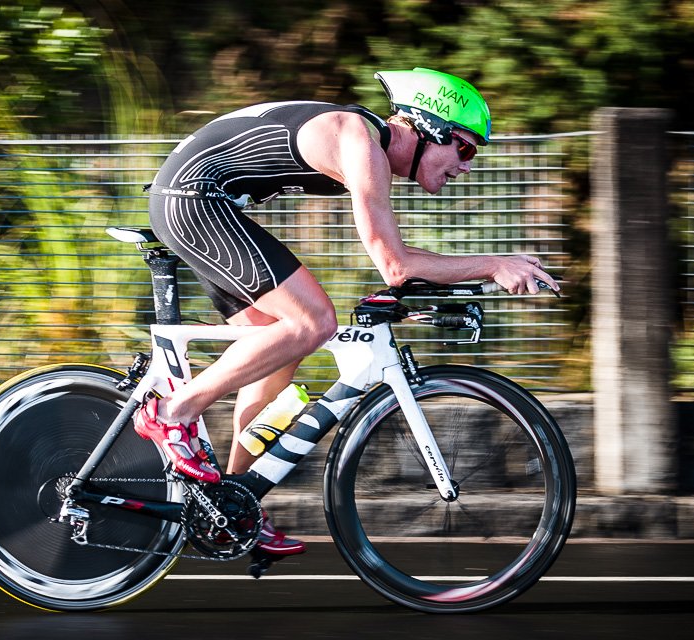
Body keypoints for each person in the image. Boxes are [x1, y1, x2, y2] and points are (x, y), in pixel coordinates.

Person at [134, 68, 560, 555]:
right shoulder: (361, 143)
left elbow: (398, 261)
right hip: (193, 201)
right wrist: (492, 264)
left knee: (278, 346)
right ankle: (171, 413)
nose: (466, 166)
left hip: (205, 202)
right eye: (464, 149)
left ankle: (232, 503)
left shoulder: (366, 145)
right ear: (430, 128)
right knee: (314, 321)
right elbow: (395, 266)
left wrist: (474, 273)